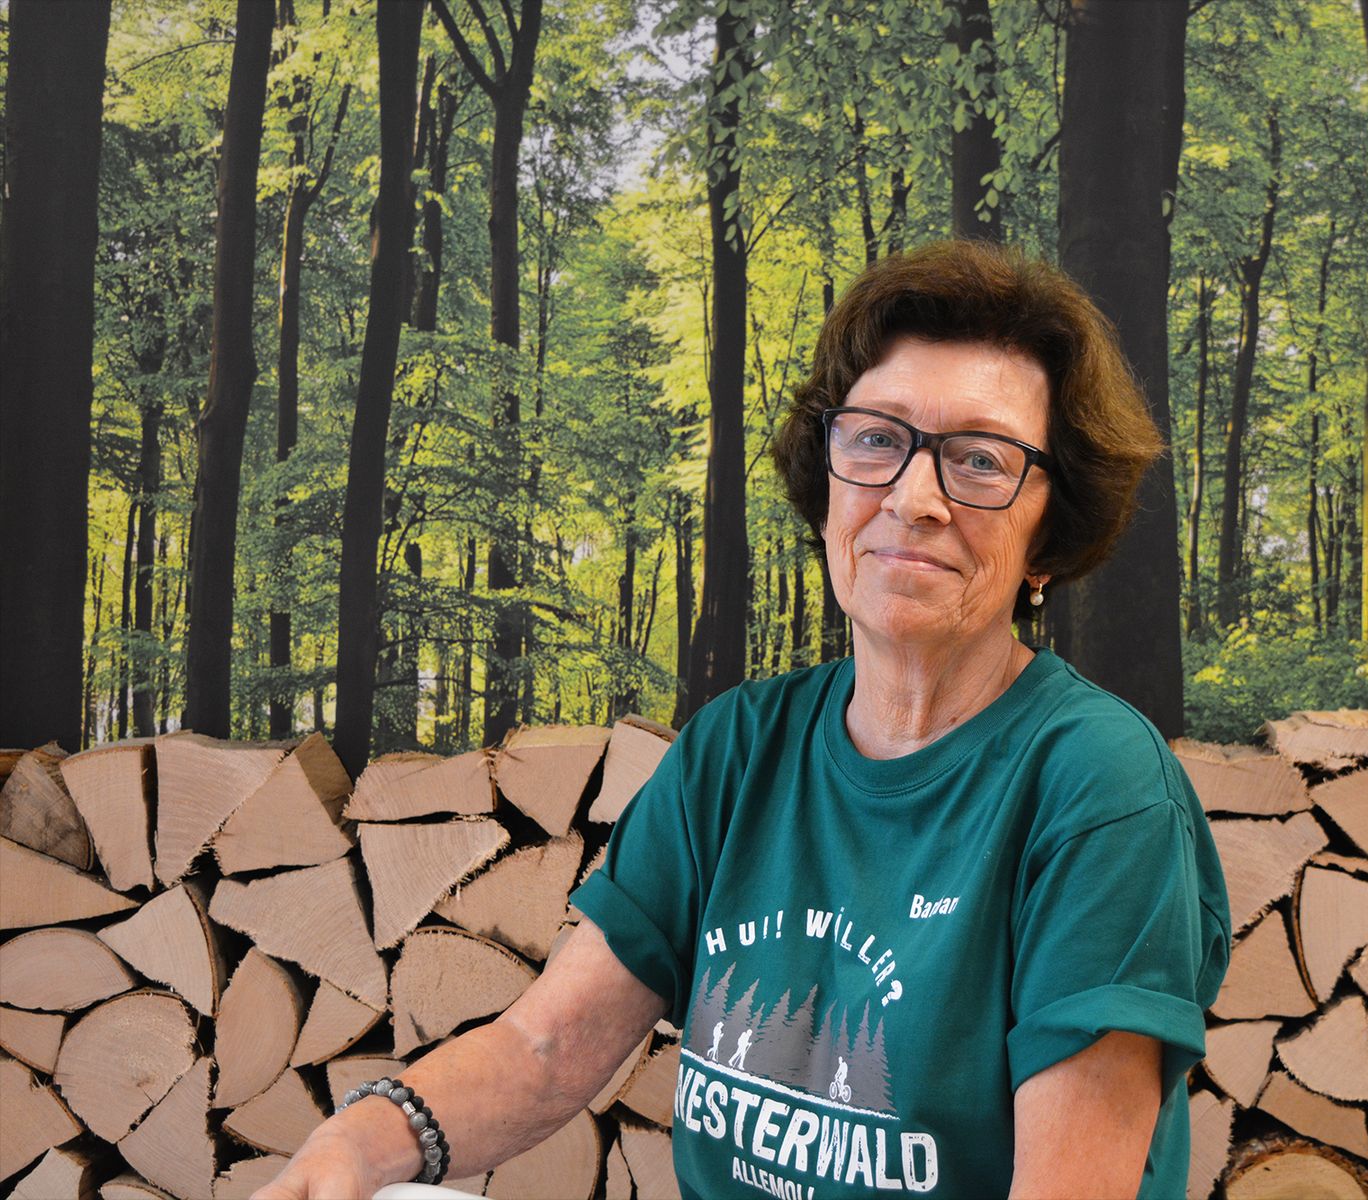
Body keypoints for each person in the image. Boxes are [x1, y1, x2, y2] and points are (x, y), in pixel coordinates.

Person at [258, 240, 1230, 1200]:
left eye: (980, 460)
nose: (915, 497)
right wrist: (361, 1142)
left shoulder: (1100, 788)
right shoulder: (736, 750)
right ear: (828, 481)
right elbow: (543, 1047)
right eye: (878, 439)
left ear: (1048, 537)